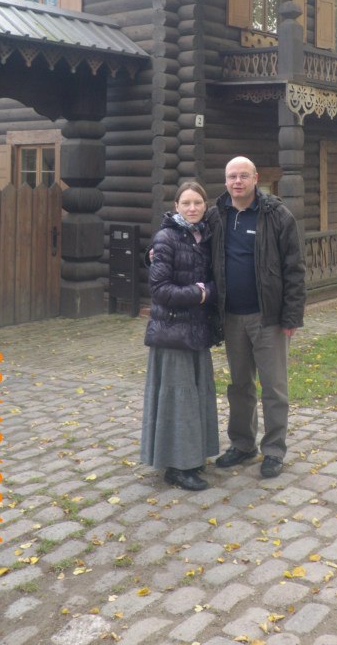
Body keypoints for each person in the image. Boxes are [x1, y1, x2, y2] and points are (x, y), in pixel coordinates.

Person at [208, 156, 305, 479]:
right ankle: (243, 443)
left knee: (274, 388)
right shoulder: (216, 216)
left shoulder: (277, 215)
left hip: (269, 318)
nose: (237, 182)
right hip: (232, 317)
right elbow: (185, 231)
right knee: (239, 386)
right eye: (232, 176)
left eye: (243, 176)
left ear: (256, 178)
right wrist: (156, 251)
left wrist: (291, 316)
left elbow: (294, 269)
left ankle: (274, 450)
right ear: (225, 182)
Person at [140, 181, 221, 491]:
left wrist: (208, 292)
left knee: (196, 396)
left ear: (204, 206)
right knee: (178, 398)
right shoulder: (166, 238)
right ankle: (176, 467)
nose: (192, 208)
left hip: (196, 331)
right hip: (172, 332)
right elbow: (160, 290)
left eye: (197, 203)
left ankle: (191, 456)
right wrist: (199, 294)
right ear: (176, 206)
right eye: (186, 203)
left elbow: (213, 282)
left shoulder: (204, 238)